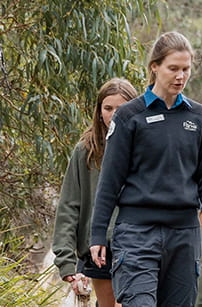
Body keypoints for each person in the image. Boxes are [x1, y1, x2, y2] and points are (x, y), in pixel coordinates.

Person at [89, 31, 202, 307]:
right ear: (155, 67)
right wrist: (97, 234)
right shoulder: (130, 116)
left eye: (186, 69)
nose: (180, 76)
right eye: (173, 68)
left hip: (184, 236)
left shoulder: (200, 118)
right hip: (137, 234)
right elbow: (110, 180)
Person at [54, 78, 139, 307]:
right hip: (99, 250)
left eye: (121, 109)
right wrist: (66, 261)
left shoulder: (146, 148)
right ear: (99, 111)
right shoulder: (86, 151)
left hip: (138, 244)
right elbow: (69, 205)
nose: (113, 115)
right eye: (108, 108)